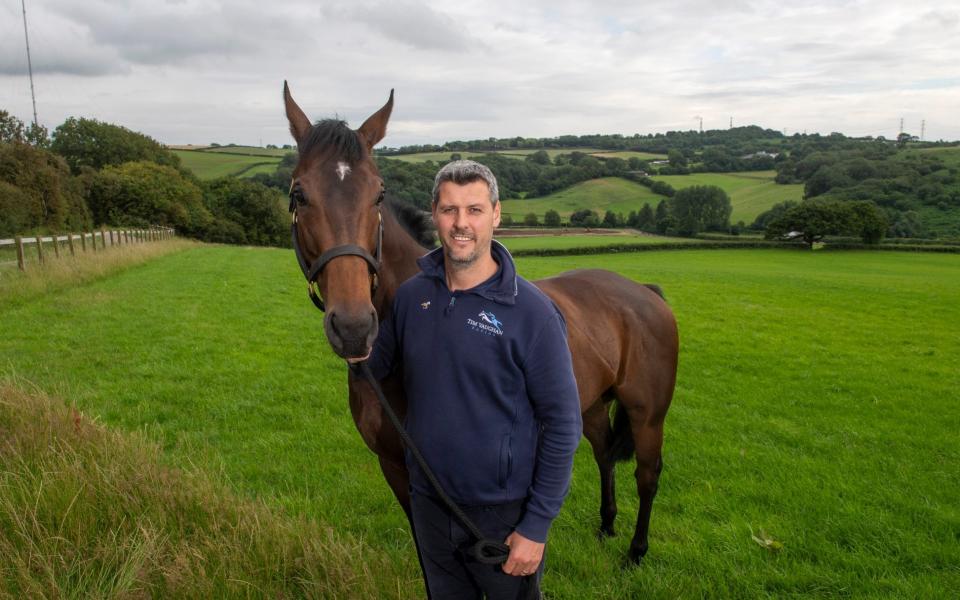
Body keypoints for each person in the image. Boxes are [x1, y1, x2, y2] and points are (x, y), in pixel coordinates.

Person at [355, 160, 582, 599]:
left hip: (502, 513)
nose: (461, 224)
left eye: (474, 210)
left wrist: (535, 527)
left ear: (496, 214)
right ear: (434, 214)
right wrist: (348, 323)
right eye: (449, 210)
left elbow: (562, 425)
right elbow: (374, 365)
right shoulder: (412, 297)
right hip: (429, 502)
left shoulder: (532, 314)